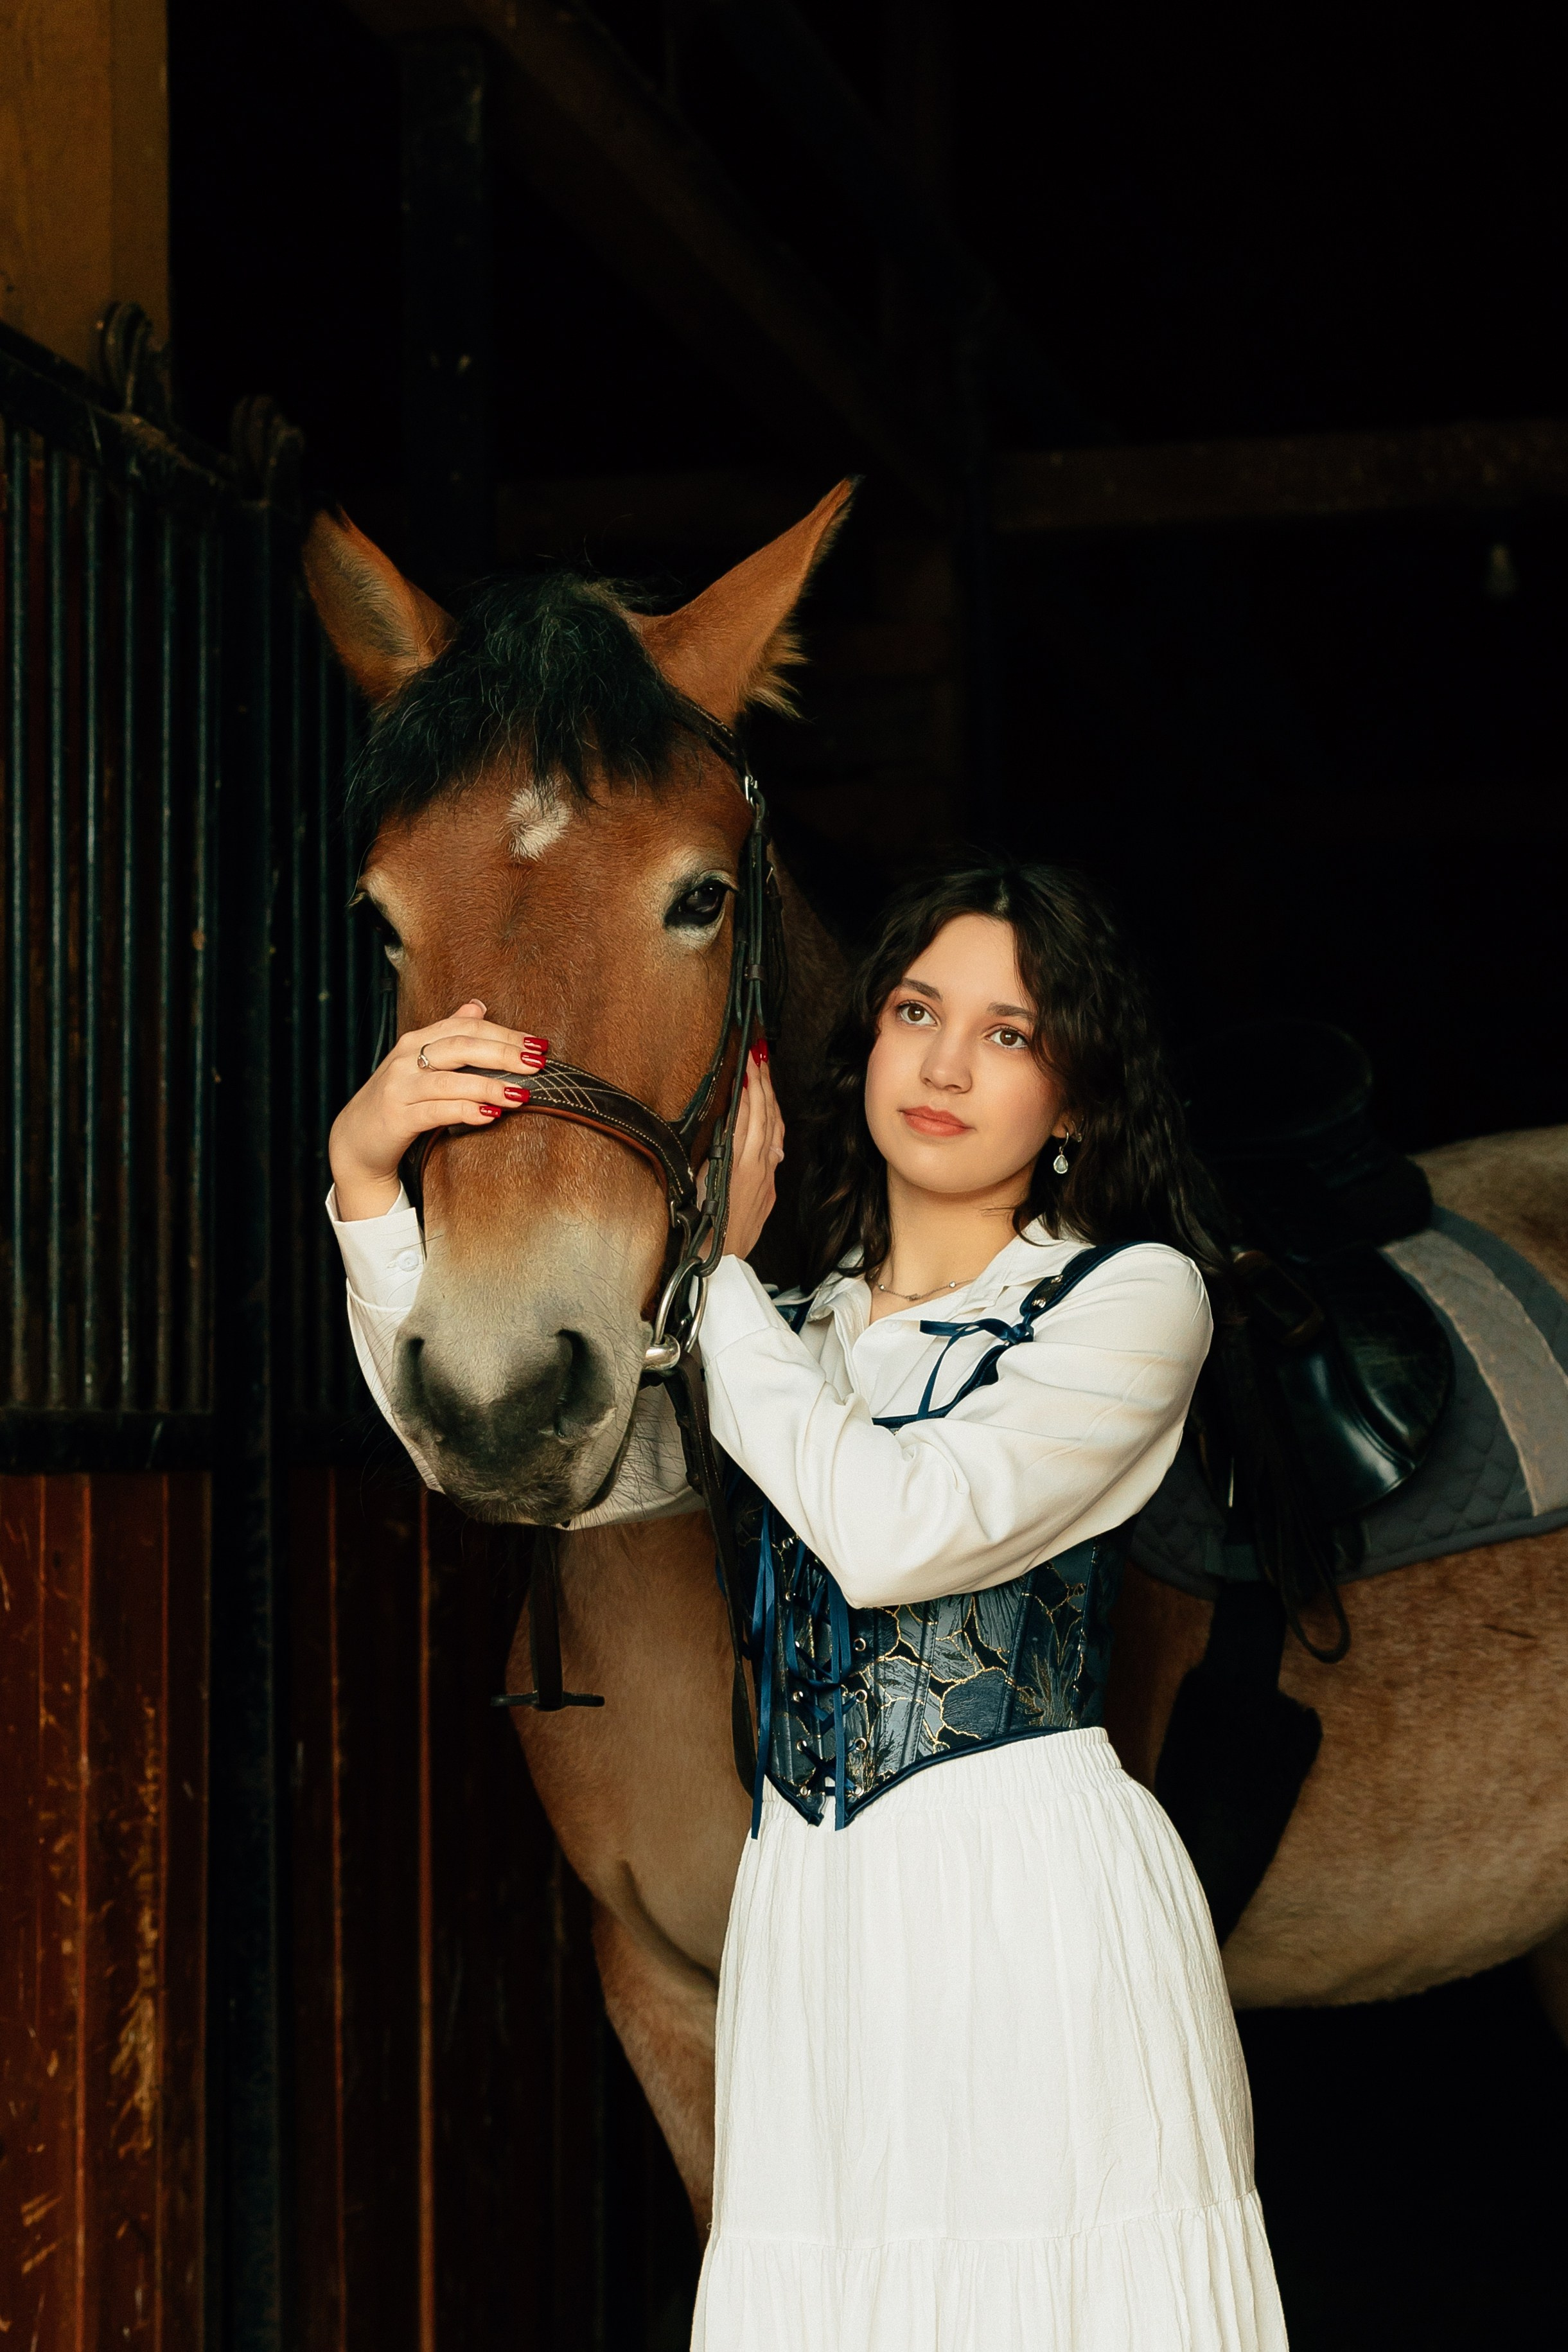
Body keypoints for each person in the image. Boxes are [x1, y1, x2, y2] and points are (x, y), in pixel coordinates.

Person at [327, 860, 1288, 2351]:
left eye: (1013, 1032)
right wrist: (370, 1182)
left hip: (1030, 1907)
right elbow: (488, 1451)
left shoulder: (1131, 1300)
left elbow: (900, 1531)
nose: (950, 1061)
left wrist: (708, 1278)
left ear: (1081, 1101)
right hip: (814, 1927)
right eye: (918, 1010)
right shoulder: (788, 1330)